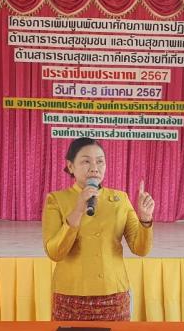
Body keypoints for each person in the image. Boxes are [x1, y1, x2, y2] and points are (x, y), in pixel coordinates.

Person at [42, 137, 155, 321]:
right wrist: (78, 210)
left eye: (100, 161)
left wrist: (145, 219)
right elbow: (55, 253)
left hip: (114, 294)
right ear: (70, 166)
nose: (94, 168)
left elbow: (140, 249)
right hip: (70, 295)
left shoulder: (120, 199)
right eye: (86, 161)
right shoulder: (56, 199)